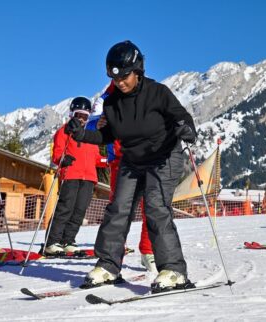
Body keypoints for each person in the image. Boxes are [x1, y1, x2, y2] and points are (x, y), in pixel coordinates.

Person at [65, 40, 197, 292]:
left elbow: (182, 117)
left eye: (125, 75)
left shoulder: (158, 92)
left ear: (138, 70)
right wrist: (81, 134)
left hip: (164, 156)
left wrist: (186, 129)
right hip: (133, 159)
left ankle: (173, 270)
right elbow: (107, 136)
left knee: (156, 208)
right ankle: (108, 266)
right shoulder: (113, 102)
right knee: (117, 209)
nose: (120, 82)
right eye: (114, 77)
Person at [94, 83, 157, 272]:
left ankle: (149, 253)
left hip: (147, 160)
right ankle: (111, 258)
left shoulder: (146, 94)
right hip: (120, 162)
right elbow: (90, 122)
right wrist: (97, 123)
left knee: (152, 207)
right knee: (119, 211)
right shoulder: (106, 98)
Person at [43, 97, 107, 255]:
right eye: (79, 115)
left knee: (79, 210)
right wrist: (62, 160)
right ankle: (52, 242)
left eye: (85, 116)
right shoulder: (65, 130)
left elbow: (96, 158)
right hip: (71, 174)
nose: (82, 119)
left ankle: (68, 240)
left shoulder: (90, 134)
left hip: (89, 177)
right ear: (72, 114)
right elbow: (56, 154)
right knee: (65, 208)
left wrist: (109, 160)